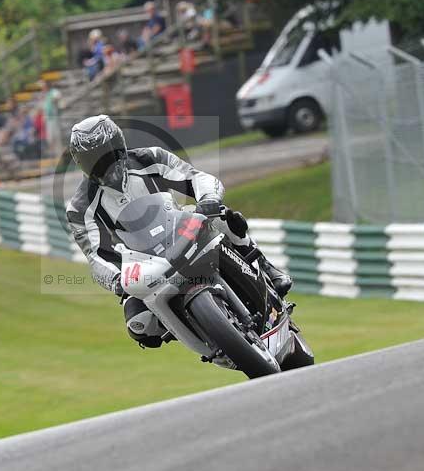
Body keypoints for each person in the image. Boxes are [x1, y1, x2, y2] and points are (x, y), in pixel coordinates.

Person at [65, 115, 292, 348]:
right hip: (142, 265)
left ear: (119, 147)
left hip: (179, 229)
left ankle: (266, 267)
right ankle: (195, 329)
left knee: (224, 217)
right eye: (93, 160)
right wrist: (116, 280)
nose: (102, 165)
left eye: (106, 155)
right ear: (81, 163)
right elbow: (96, 255)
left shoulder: (149, 158)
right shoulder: (80, 208)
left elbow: (195, 178)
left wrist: (209, 198)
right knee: (139, 326)